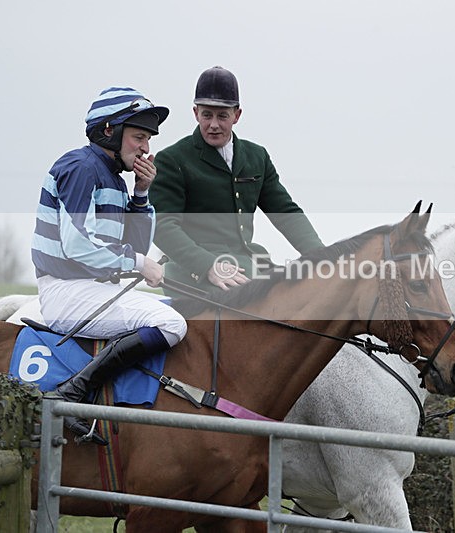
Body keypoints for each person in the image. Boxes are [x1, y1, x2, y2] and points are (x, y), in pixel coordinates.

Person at [31, 87, 188, 445]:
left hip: (96, 288)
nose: (145, 148)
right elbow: (78, 245)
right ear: (109, 131)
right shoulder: (81, 168)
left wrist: (141, 193)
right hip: (66, 290)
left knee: (182, 311)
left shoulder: (113, 178)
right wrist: (140, 263)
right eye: (139, 137)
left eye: (148, 139)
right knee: (171, 324)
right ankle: (71, 393)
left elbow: (134, 244)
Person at [151, 66, 323, 293]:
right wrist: (207, 266)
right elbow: (161, 226)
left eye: (222, 115)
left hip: (250, 262)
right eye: (207, 115)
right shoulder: (172, 159)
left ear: (237, 115)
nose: (213, 124)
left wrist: (321, 256)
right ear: (195, 113)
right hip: (195, 274)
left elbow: (285, 212)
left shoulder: (257, 156)